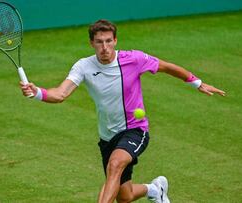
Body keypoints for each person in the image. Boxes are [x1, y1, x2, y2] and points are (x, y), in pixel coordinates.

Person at [20, 19, 225, 203]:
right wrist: (38, 92)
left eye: (108, 41)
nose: (105, 47)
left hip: (135, 130)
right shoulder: (83, 66)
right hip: (107, 137)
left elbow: (166, 67)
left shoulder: (133, 59)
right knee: (124, 196)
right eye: (99, 42)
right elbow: (60, 94)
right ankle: (155, 190)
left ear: (115, 41)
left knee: (115, 165)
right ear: (92, 43)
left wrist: (196, 82)